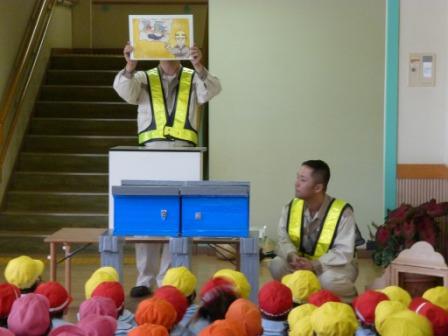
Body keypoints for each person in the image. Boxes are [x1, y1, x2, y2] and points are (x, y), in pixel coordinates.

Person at [113, 42, 221, 298]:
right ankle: (145, 278)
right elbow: (125, 92)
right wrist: (130, 65)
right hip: (151, 153)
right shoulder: (143, 77)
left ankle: (170, 279)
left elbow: (213, 90)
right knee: (148, 215)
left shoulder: (193, 76)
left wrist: (198, 64)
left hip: (185, 154)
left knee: (180, 218)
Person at [269, 160, 359, 302]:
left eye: (302, 180)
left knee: (328, 280)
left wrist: (315, 265)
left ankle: (348, 301)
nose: (296, 183)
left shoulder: (342, 212)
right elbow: (283, 240)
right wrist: (292, 256)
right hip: (300, 264)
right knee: (276, 264)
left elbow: (344, 252)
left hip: (332, 267)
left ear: (318, 188)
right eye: (297, 177)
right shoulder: (291, 207)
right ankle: (300, 297)